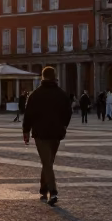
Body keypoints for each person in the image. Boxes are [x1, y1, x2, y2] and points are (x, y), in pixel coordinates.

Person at [22, 66, 72, 207]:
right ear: (54, 76)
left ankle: (52, 191)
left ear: (42, 77)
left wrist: (26, 131)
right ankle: (44, 189)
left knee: (47, 162)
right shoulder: (62, 94)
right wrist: (63, 126)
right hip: (56, 133)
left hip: (41, 134)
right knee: (48, 162)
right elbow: (68, 112)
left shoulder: (35, 95)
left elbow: (28, 114)